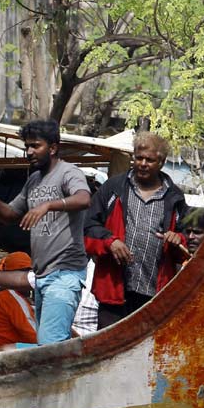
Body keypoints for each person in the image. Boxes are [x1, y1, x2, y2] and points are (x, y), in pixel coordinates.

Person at [0, 120, 91, 344]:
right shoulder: (33, 180)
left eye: (35, 146)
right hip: (41, 276)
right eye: (27, 146)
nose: (29, 152)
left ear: (52, 148)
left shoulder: (69, 173)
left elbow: (83, 198)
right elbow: (9, 215)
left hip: (64, 274)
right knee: (46, 346)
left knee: (49, 348)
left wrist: (48, 205)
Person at [84, 132, 188, 328]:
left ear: (162, 162)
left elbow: (187, 240)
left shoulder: (175, 197)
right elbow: (88, 226)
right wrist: (110, 241)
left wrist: (177, 238)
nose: (143, 163)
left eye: (150, 160)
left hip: (154, 296)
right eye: (138, 157)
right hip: (114, 291)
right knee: (109, 349)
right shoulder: (114, 188)